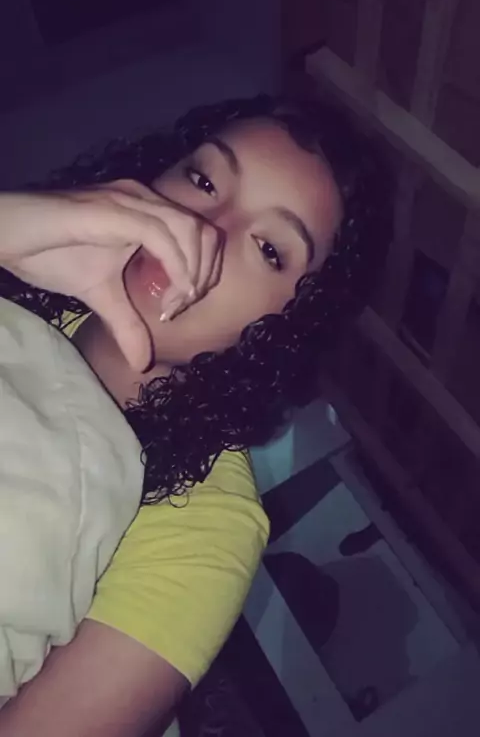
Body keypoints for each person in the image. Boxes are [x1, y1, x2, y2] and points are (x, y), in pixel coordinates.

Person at [0, 94, 390, 736]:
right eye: (204, 180)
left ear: (289, 326)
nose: (204, 229)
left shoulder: (209, 522)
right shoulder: (24, 277)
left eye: (269, 249)